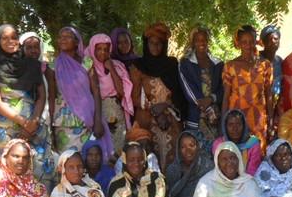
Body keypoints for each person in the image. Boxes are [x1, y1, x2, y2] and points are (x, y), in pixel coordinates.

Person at [0, 24, 55, 190]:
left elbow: (42, 95)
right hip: (9, 131)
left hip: (35, 126)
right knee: (11, 177)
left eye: (14, 37)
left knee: (41, 173)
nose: (10, 41)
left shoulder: (32, 65)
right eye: (5, 38)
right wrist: (23, 122)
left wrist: (34, 121)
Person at [130, 22, 186, 170]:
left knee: (174, 160)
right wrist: (155, 111)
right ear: (146, 44)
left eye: (159, 43)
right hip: (146, 120)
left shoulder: (171, 64)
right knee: (147, 159)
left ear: (164, 45)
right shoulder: (138, 66)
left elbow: (178, 94)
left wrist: (166, 107)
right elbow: (134, 97)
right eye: (152, 43)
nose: (155, 47)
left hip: (170, 120)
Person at [50, 26, 112, 157]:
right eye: (61, 37)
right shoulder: (54, 65)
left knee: (88, 159)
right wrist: (49, 124)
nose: (63, 39)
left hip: (87, 120)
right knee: (68, 159)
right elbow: (51, 96)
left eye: (67, 37)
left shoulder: (87, 62)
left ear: (77, 42)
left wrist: (98, 120)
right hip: (64, 122)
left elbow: (96, 92)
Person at [222, 25, 273, 151]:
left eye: (251, 41)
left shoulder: (265, 65)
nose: (248, 45)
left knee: (258, 153)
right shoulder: (230, 66)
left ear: (256, 41)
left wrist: (271, 121)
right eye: (244, 42)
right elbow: (226, 96)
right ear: (238, 43)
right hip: (237, 120)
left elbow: (269, 95)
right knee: (238, 154)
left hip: (258, 120)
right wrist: (223, 123)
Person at [88, 33, 134, 155]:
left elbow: (121, 92)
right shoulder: (88, 67)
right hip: (96, 114)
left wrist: (112, 69)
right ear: (93, 49)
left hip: (116, 115)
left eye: (106, 49)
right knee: (99, 152)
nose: (103, 52)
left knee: (118, 151)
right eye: (99, 49)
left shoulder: (117, 65)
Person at [178, 26, 223, 145]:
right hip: (195, 117)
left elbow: (223, 88)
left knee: (214, 150)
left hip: (214, 117)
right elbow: (187, 88)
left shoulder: (218, 64)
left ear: (208, 41)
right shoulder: (185, 63)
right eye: (197, 40)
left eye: (204, 40)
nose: (201, 43)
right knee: (194, 149)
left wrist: (212, 99)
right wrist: (206, 107)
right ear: (193, 42)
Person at [165, 131, 214, 197]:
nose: (188, 150)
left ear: (198, 146)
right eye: (183, 147)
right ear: (178, 150)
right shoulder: (172, 169)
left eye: (191, 145)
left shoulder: (208, 167)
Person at [212, 109, 262, 176]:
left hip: (246, 179)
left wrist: (240, 180)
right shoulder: (219, 144)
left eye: (238, 124)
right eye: (230, 125)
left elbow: (252, 170)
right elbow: (219, 168)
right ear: (225, 127)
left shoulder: (253, 143)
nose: (235, 128)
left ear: (244, 126)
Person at [19, 31, 55, 124]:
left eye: (36, 47)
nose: (33, 51)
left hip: (44, 116)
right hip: (22, 116)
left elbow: (51, 95)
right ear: (22, 49)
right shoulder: (18, 68)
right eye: (29, 47)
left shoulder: (46, 69)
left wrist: (52, 117)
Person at [259, 25, 282, 132]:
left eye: (276, 39)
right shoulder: (256, 60)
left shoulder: (279, 61)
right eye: (269, 39)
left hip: (275, 109)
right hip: (259, 109)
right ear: (263, 42)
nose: (273, 42)